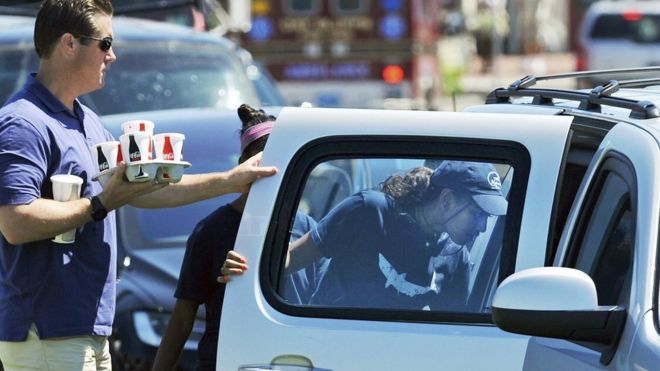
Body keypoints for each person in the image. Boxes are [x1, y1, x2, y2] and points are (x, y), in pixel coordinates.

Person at [0, 2, 276, 370]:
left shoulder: (87, 120)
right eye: (105, 43)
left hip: (85, 328)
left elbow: (143, 190)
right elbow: (15, 222)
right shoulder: (23, 123)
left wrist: (230, 180)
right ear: (69, 43)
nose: (112, 55)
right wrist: (100, 203)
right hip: (48, 331)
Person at [152, 105, 328, 371]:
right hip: (227, 361)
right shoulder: (211, 231)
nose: (271, 176)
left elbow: (320, 307)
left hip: (294, 361)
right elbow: (182, 319)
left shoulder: (308, 229)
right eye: (262, 167)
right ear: (243, 168)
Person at [283, 160, 508, 310]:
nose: (482, 227)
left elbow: (452, 337)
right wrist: (249, 265)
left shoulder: (457, 259)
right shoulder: (368, 210)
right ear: (447, 200)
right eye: (477, 213)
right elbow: (291, 259)